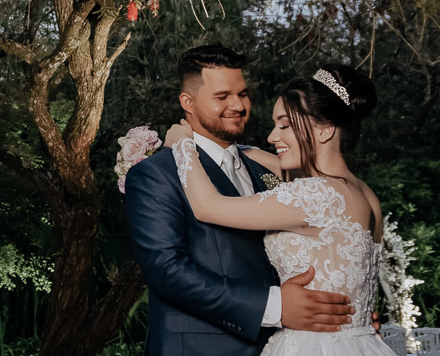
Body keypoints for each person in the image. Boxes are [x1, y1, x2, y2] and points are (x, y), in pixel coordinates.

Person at [125, 44, 356, 356]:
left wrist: (342, 313)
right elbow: (167, 270)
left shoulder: (267, 167)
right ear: (188, 102)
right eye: (222, 96)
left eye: (243, 93)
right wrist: (275, 306)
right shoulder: (157, 173)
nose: (237, 105)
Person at [165, 62, 392, 355]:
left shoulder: (317, 195)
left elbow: (208, 206)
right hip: (360, 340)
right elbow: (286, 168)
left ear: (324, 130)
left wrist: (183, 146)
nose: (272, 136)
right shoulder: (363, 193)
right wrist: (237, 149)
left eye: (284, 125)